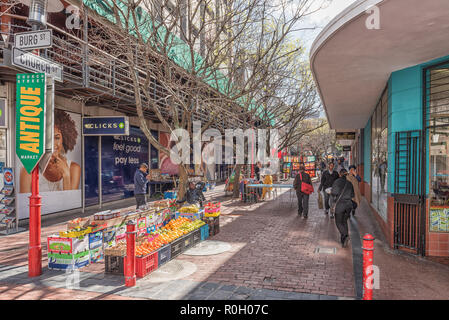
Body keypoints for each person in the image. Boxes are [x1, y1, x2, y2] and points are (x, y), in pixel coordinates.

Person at [20, 109, 81, 192]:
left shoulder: (74, 168)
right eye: (47, 139)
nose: (52, 144)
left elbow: (71, 202)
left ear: (64, 139)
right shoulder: (28, 169)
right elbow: (24, 203)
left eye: (57, 138)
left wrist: (66, 175)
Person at [331, 168, 355, 248]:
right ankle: (343, 240)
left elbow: (334, 192)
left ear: (340, 174)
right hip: (348, 205)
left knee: (338, 222)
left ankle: (345, 234)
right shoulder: (349, 183)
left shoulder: (337, 182)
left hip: (340, 205)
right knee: (344, 221)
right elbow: (352, 195)